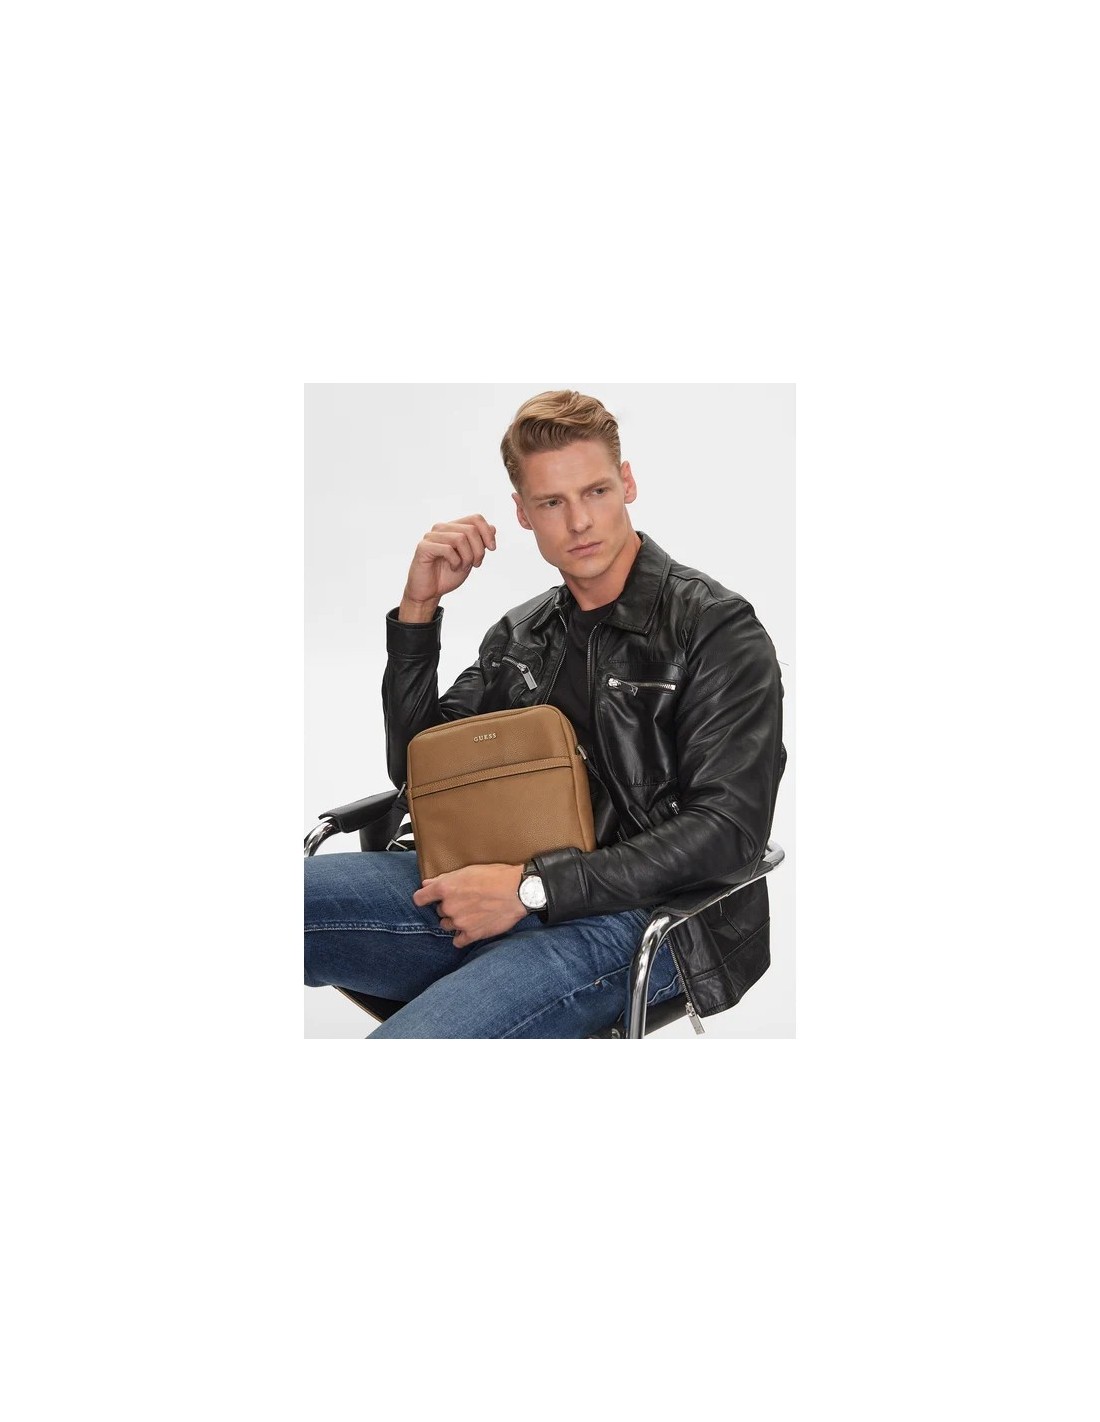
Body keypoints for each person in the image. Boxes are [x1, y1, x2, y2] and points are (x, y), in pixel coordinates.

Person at [305, 389, 786, 1037]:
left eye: (595, 492)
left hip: (643, 921)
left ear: (627, 483)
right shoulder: (522, 635)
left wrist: (532, 888)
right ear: (523, 513)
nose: (579, 522)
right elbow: (420, 775)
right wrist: (418, 611)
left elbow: (729, 830)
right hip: (492, 883)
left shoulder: (715, 628)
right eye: (552, 502)